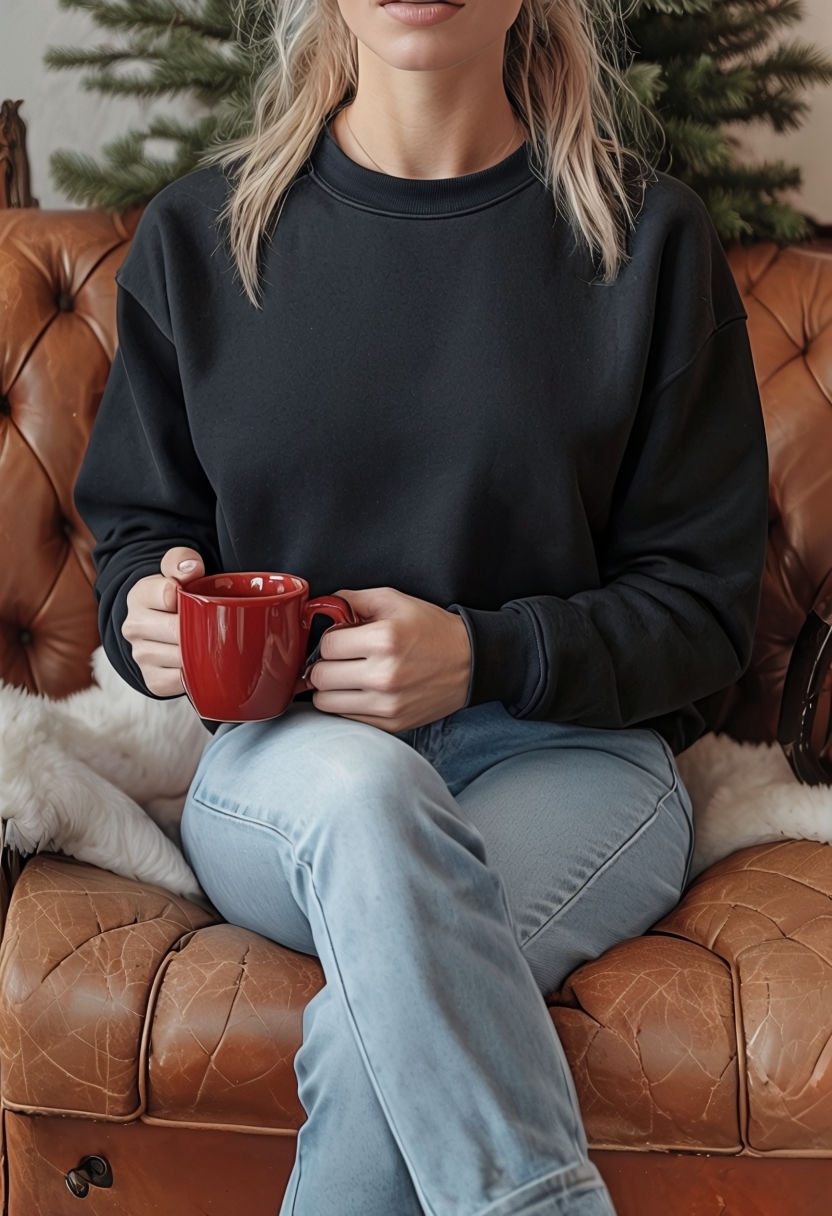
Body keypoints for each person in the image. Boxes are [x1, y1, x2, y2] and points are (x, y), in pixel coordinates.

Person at [74, 1, 769, 1213]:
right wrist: (145, 604)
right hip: (287, 773)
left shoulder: (646, 242)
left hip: (577, 764)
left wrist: (484, 653)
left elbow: (703, 614)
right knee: (367, 789)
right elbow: (140, 534)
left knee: (368, 1040)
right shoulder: (201, 234)